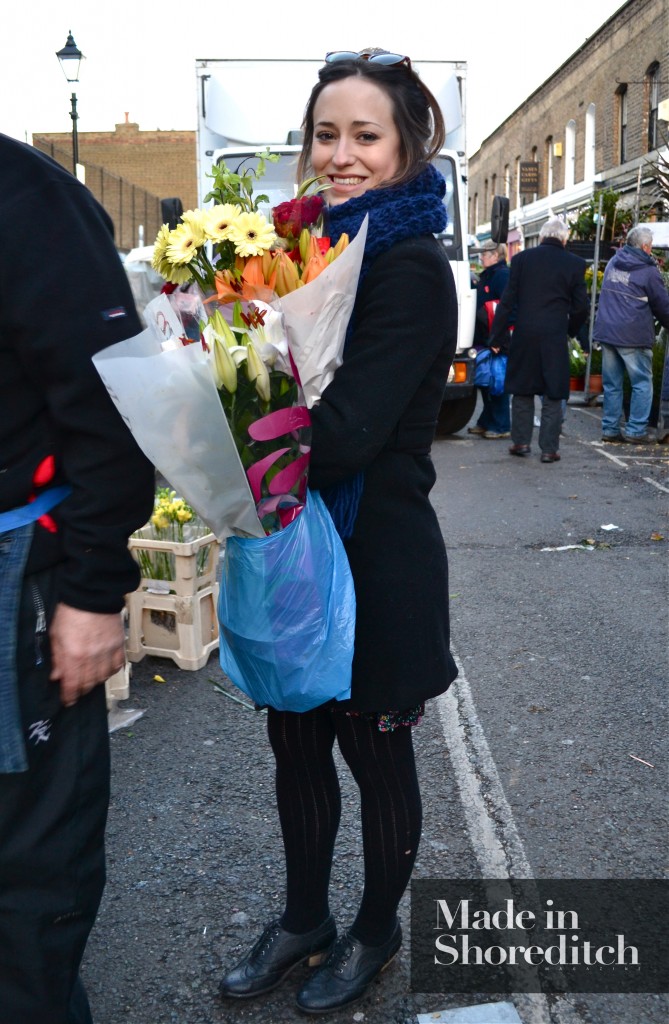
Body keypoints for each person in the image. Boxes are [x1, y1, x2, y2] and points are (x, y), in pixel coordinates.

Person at [218, 49, 459, 1014]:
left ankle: (373, 930)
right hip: (296, 548)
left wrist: (238, 401)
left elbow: (349, 437)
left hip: (376, 561)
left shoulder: (406, 267)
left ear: (406, 145)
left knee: (372, 750)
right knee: (296, 744)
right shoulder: (304, 254)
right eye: (327, 134)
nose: (342, 154)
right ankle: (304, 919)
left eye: (366, 135)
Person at [0, 134, 155, 1024]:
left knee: (29, 876)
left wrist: (93, 592)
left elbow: (114, 404)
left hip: (18, 576)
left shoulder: (27, 198)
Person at [489, 217, 588, 463]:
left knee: (522, 389)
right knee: (554, 392)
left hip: (525, 333)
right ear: (564, 239)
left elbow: (507, 300)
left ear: (542, 237)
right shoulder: (574, 264)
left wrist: (497, 336)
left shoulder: (522, 260)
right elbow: (581, 307)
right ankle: (549, 449)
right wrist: (570, 330)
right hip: (554, 335)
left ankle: (521, 443)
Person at [593, 225, 669, 444]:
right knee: (642, 383)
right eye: (651, 246)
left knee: (612, 384)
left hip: (607, 332)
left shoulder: (613, 263)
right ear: (645, 247)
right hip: (632, 335)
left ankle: (610, 429)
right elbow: (662, 305)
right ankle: (636, 431)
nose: (652, 250)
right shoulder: (648, 270)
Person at [467, 239, 512, 439]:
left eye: (484, 254)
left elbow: (507, 308)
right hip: (486, 337)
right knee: (487, 379)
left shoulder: (501, 276)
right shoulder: (490, 275)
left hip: (496, 338)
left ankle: (501, 426)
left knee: (497, 382)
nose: (482, 257)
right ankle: (487, 421)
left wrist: (498, 340)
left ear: (495, 255)